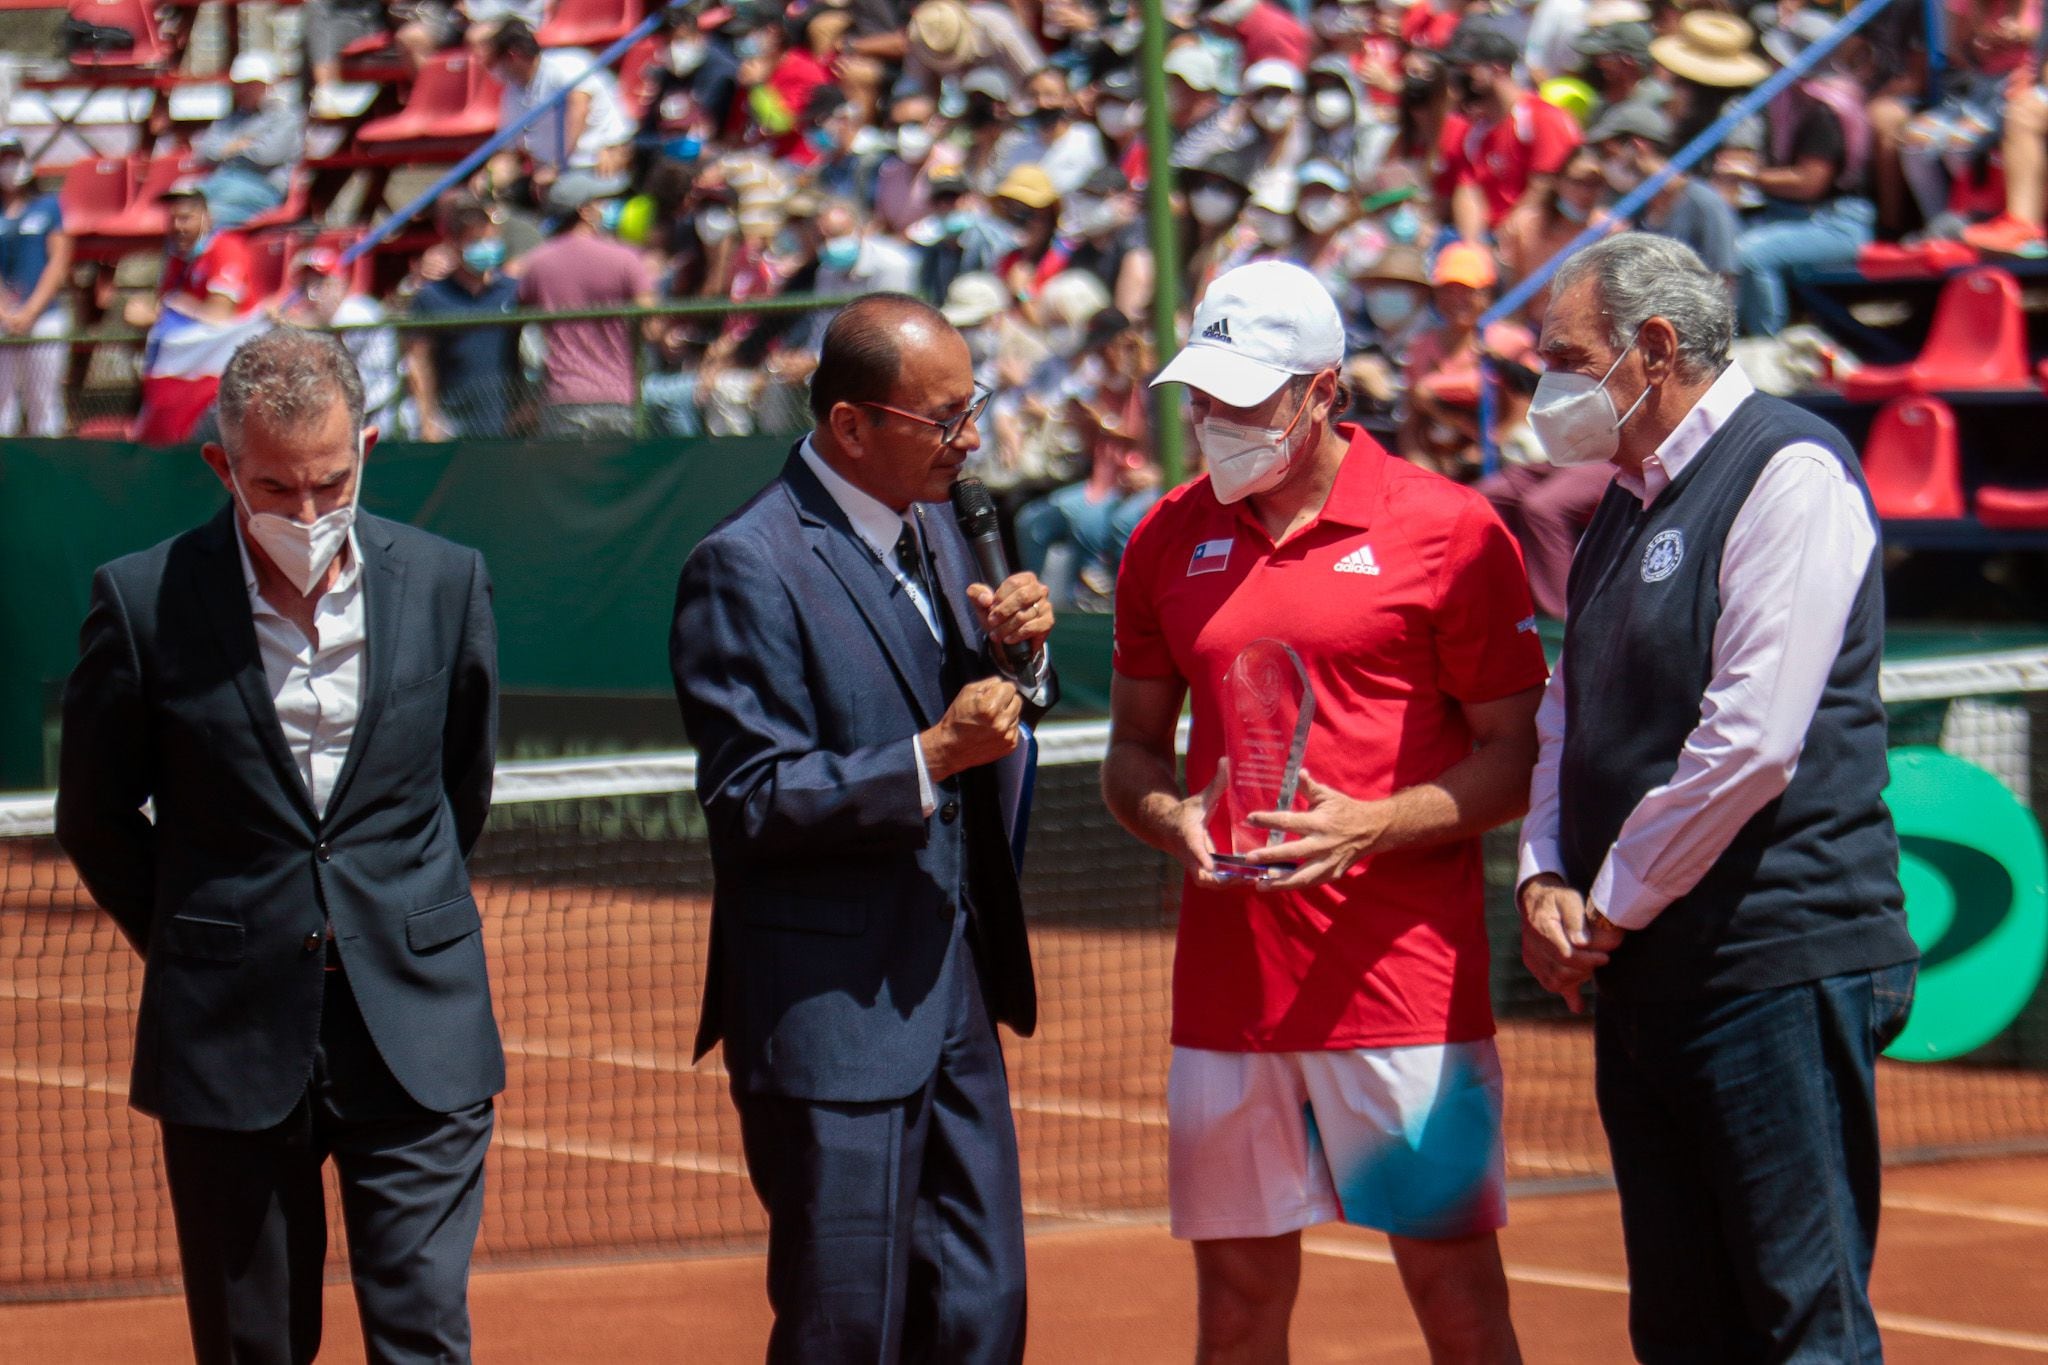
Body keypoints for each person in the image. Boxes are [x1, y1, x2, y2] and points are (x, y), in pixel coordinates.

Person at [1101, 261, 1546, 1364]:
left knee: (1456, 1304)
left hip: (1401, 995)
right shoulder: (1163, 535)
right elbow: (1129, 755)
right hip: (1227, 999)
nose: (1210, 420)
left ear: (1320, 393)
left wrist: (1368, 824)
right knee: (1237, 1312)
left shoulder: (1449, 530)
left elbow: (1513, 757)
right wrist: (1171, 819)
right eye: (1200, 395)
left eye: (1240, 398)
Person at [54, 327, 502, 1364]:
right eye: (275, 486)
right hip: (226, 1035)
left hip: (419, 1024)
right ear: (222, 466)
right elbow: (96, 816)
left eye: (330, 481)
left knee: (425, 1336)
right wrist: (202, 934)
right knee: (254, 1348)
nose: (306, 511)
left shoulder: (448, 580)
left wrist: (391, 909)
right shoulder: (140, 599)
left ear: (369, 448)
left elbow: (457, 787)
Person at [1517, 232, 1921, 1361]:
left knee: (1803, 1324)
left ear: (1651, 349)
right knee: (1683, 1328)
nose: (1544, 384)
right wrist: (1542, 871)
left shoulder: (1788, 467)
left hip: (1770, 962)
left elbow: (1749, 743)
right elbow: (1570, 707)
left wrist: (1605, 904)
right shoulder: (1618, 503)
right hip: (1644, 964)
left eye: (1564, 354)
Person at [670, 293, 1058, 1363]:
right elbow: (751, 796)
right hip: (829, 1018)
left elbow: (988, 710)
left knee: (982, 1313)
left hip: (953, 993)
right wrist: (928, 757)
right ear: (851, 426)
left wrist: (1018, 661)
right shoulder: (744, 564)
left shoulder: (940, 524)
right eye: (944, 417)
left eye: (970, 406)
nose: (969, 435)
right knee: (846, 1330)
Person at [517, 182, 658, 437]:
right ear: (584, 210)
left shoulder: (537, 263)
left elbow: (520, 316)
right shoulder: (625, 258)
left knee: (570, 476)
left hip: (564, 396)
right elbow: (651, 327)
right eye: (597, 202)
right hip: (618, 394)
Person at [1437, 19, 1584, 243]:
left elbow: (1543, 186)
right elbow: (1469, 189)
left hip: (1536, 238)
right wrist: (1473, 245)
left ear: (1499, 68)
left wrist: (1505, 237)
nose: (1460, 76)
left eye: (1468, 67)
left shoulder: (1541, 117)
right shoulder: (1478, 129)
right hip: (1490, 237)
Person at [406, 200, 523, 439]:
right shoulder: (431, 297)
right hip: (452, 421)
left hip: (508, 419)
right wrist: (427, 419)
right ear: (454, 244)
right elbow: (419, 361)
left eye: (490, 240)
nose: (486, 248)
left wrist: (529, 409)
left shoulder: (515, 292)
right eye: (475, 242)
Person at [1587, 99, 1739, 278]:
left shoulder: (1704, 203)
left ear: (1637, 146)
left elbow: (1725, 280)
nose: (1605, 163)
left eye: (1608, 153)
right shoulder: (1634, 208)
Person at [488, 19, 635, 203]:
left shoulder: (566, 64)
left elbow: (579, 108)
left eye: (494, 61)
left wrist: (556, 168)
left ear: (512, 55)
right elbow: (508, 149)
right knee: (504, 195)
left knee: (561, 194)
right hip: (551, 174)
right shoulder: (512, 93)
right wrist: (489, 177)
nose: (493, 70)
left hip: (597, 166)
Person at [0, 134, 72, 436]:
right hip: (4, 320)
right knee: (2, 404)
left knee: (44, 403)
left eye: (13, 158)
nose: (9, 166)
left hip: (45, 317)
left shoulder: (48, 206)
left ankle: (50, 473)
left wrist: (31, 310)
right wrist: (5, 312)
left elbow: (58, 261)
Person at [192, 51, 306, 229]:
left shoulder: (286, 118)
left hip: (263, 188)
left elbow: (267, 155)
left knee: (204, 212)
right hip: (224, 182)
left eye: (251, 85)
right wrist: (241, 145)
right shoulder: (231, 119)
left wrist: (227, 150)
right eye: (239, 85)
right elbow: (204, 151)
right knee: (183, 204)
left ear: (267, 85)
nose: (243, 90)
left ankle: (214, 253)